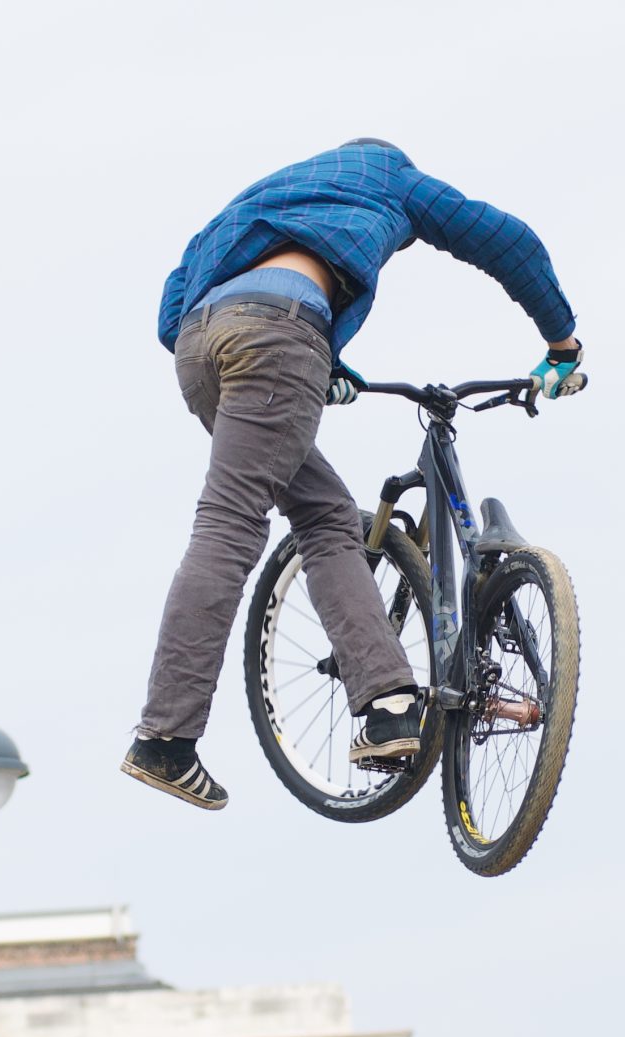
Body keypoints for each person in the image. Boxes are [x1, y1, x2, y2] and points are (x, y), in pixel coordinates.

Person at [123, 138, 582, 810]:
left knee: (324, 514)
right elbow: (506, 241)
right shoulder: (391, 177)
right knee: (230, 525)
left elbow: (171, 315)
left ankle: (387, 700)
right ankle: (166, 738)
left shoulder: (256, 200)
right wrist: (562, 342)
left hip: (200, 351)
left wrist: (318, 360)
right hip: (280, 335)